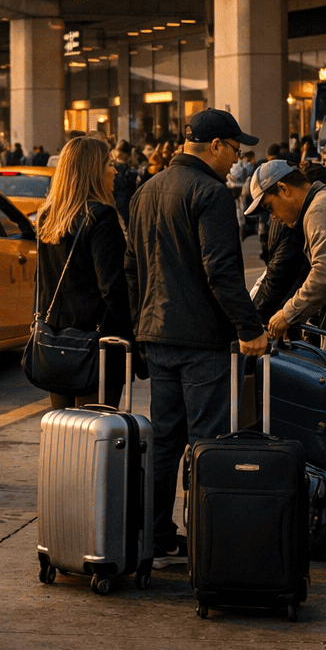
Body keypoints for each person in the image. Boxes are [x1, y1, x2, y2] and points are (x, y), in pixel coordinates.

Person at [125, 108, 268, 570]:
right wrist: (249, 328)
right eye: (235, 150)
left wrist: (139, 327)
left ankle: (158, 536)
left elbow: (132, 271)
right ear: (215, 146)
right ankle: (208, 540)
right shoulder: (210, 193)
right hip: (202, 339)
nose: (236, 160)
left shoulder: (146, 190)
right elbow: (222, 271)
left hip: (157, 334)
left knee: (164, 440)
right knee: (208, 441)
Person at [35, 136, 136, 409]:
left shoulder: (47, 217)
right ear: (92, 170)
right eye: (109, 164)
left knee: (65, 435)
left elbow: (42, 282)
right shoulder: (101, 217)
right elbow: (112, 288)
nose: (114, 171)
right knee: (96, 436)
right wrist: (132, 335)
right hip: (96, 345)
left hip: (56, 343)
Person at [245, 161, 326, 364]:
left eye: (270, 207)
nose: (274, 218)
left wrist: (287, 314)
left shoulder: (319, 211)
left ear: (284, 189)